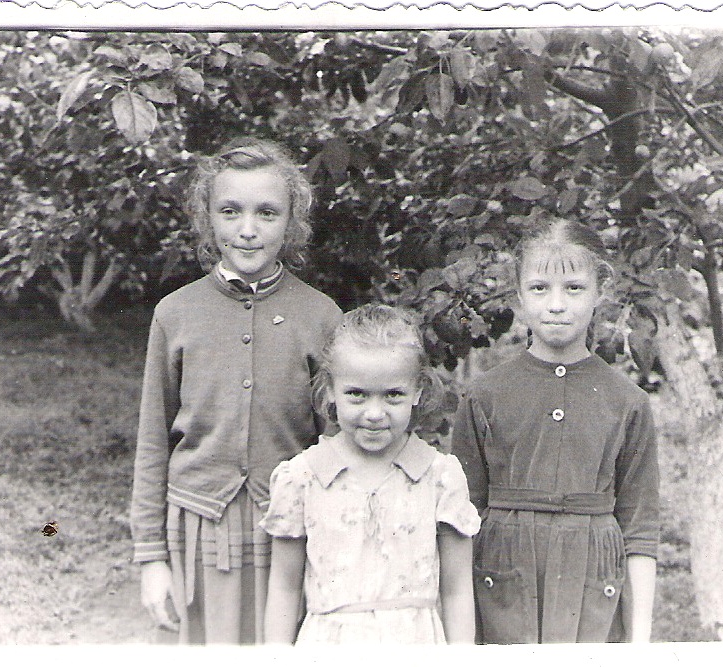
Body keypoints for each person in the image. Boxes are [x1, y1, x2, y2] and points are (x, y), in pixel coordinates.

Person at [130, 137, 342, 644]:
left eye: (267, 213)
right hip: (198, 524)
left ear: (291, 222)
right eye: (230, 211)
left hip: (290, 530)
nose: (248, 229)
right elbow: (152, 441)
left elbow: (337, 444)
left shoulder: (321, 315)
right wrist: (151, 558)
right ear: (208, 219)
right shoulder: (175, 313)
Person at [451, 217, 660, 644]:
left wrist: (639, 644)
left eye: (574, 288)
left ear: (601, 291)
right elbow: (461, 518)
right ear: (518, 293)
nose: (556, 304)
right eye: (540, 288)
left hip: (593, 585)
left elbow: (640, 529)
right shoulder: (484, 395)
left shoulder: (628, 401)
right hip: (502, 584)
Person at [261, 304, 481, 644]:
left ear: (418, 391)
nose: (374, 413)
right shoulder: (303, 478)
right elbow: (284, 588)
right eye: (357, 395)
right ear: (330, 389)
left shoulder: (439, 476)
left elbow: (456, 592)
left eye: (393, 395)